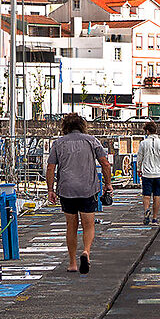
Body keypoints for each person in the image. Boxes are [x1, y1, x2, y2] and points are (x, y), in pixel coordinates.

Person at [45, 112, 113, 274]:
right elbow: (105, 163)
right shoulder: (92, 141)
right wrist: (107, 184)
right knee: (88, 224)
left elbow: (50, 167)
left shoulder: (58, 143)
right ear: (82, 126)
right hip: (88, 188)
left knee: (71, 225)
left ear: (65, 127)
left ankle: (72, 263)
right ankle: (86, 252)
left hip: (66, 189)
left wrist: (50, 190)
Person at [135, 127, 160, 226]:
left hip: (146, 173)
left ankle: (146, 210)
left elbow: (139, 158)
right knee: (157, 195)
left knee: (146, 194)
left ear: (147, 131)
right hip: (159, 173)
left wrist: (139, 169)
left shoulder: (143, 143)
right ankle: (154, 218)